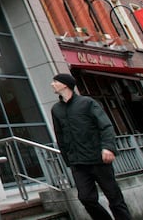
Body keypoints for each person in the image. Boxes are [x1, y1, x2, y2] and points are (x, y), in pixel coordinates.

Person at [50, 73, 132, 220]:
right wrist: (68, 159)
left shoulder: (87, 103)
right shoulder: (56, 109)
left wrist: (108, 147)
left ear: (65, 84)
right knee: (86, 198)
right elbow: (59, 136)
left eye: (55, 81)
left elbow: (106, 126)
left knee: (114, 198)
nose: (52, 84)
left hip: (98, 159)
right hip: (78, 163)